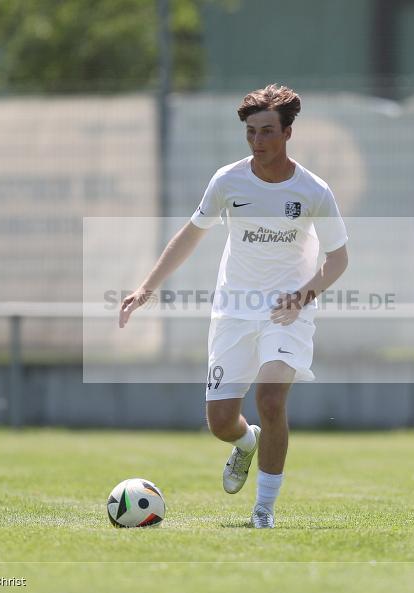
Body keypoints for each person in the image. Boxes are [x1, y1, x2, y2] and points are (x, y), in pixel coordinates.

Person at [119, 84, 348, 528]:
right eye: (250, 132)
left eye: (267, 131)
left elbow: (338, 259)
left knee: (271, 398)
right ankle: (245, 443)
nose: (257, 141)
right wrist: (147, 287)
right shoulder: (227, 181)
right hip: (234, 311)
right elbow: (190, 235)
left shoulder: (314, 190)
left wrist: (303, 296)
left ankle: (264, 509)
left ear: (287, 133)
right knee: (221, 422)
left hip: (287, 313)